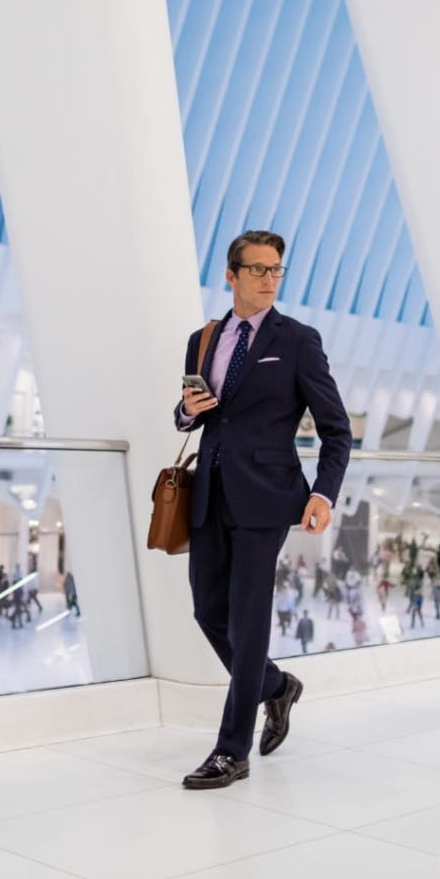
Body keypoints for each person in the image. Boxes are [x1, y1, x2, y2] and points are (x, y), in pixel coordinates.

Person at [173, 230, 351, 790]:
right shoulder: (204, 340)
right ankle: (277, 688)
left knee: (249, 624)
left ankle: (232, 751)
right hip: (210, 492)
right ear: (231, 275)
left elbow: (336, 430)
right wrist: (185, 410)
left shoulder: (298, 340)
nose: (269, 279)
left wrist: (322, 493)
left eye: (276, 270)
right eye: (258, 270)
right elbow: (197, 417)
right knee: (208, 611)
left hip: (269, 498)